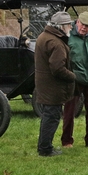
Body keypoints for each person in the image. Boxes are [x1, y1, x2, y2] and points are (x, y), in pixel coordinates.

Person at [35, 11, 77, 157]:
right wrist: (73, 76)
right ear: (61, 26)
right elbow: (58, 69)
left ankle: (43, 146)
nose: (70, 27)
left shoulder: (43, 36)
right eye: (68, 25)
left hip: (45, 85)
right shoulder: (56, 43)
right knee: (51, 117)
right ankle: (45, 149)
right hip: (52, 87)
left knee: (47, 116)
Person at [61, 11, 88, 149]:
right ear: (77, 21)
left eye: (87, 26)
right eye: (82, 24)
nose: (84, 28)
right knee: (70, 111)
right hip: (74, 79)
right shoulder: (68, 35)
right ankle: (67, 141)